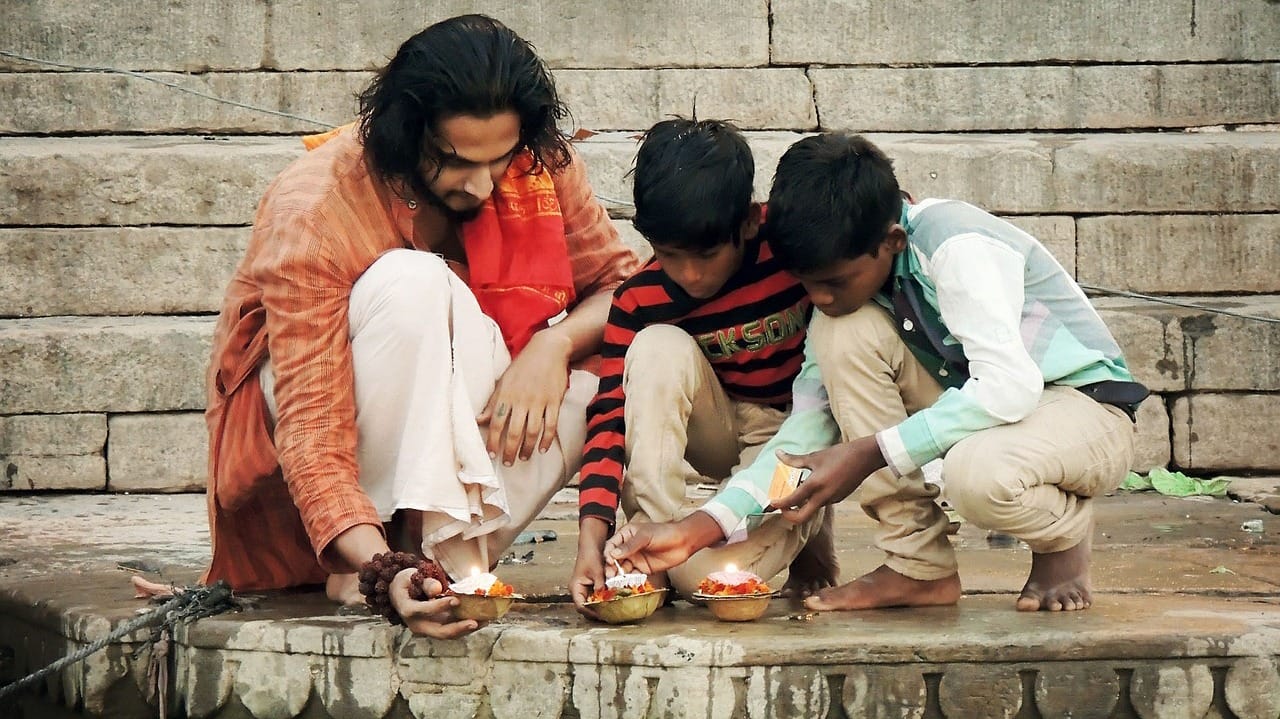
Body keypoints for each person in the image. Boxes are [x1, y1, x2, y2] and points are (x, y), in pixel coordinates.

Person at [201, 14, 639, 638]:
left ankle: (441, 563)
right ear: (410, 135)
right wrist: (380, 566)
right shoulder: (317, 211)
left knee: (600, 385)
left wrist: (554, 342)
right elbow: (313, 428)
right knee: (416, 282)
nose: (484, 185)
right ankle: (385, 558)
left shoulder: (539, 166)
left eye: (501, 158)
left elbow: (626, 291)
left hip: (465, 438)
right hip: (329, 448)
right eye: (458, 162)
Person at [607, 132, 1146, 613]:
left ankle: (1064, 539)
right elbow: (802, 440)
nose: (818, 299)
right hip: (1000, 414)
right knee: (845, 334)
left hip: (1084, 408)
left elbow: (1009, 386)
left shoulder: (955, 246)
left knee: (978, 476)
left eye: (834, 283)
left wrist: (866, 452)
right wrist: (702, 526)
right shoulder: (847, 306)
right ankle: (920, 566)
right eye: (807, 284)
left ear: (891, 242)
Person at [571, 118, 837, 618]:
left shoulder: (790, 249)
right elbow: (608, 419)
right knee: (655, 347)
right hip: (715, 421)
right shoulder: (640, 298)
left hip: (794, 435)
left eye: (708, 255)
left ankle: (809, 518)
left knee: (704, 580)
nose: (690, 274)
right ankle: (649, 539)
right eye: (671, 255)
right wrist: (592, 537)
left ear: (750, 223)